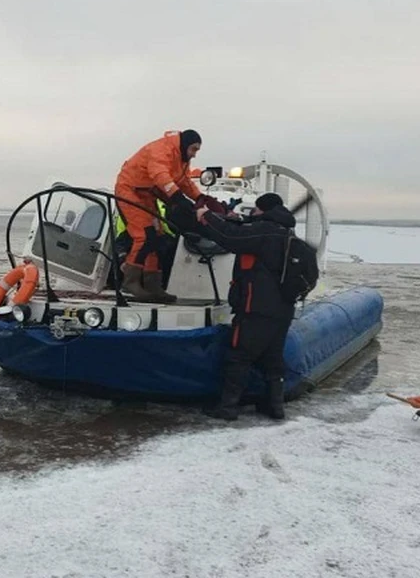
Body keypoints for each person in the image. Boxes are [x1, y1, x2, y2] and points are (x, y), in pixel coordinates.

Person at [192, 192, 297, 421]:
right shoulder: (286, 232)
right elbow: (243, 229)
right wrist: (230, 216)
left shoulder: (263, 231)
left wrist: (207, 216)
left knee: (239, 356)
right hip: (283, 309)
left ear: (262, 210)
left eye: (255, 211)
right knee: (273, 358)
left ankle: (227, 407)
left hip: (255, 308)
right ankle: (275, 407)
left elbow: (230, 237)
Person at [114, 130, 226, 303]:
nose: (194, 154)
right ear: (185, 145)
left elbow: (184, 182)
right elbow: (160, 175)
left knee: (157, 237)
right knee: (145, 235)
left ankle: (153, 285)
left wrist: (199, 198)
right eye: (193, 149)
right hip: (130, 190)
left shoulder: (180, 160)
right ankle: (131, 281)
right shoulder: (161, 150)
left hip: (148, 192)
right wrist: (178, 198)